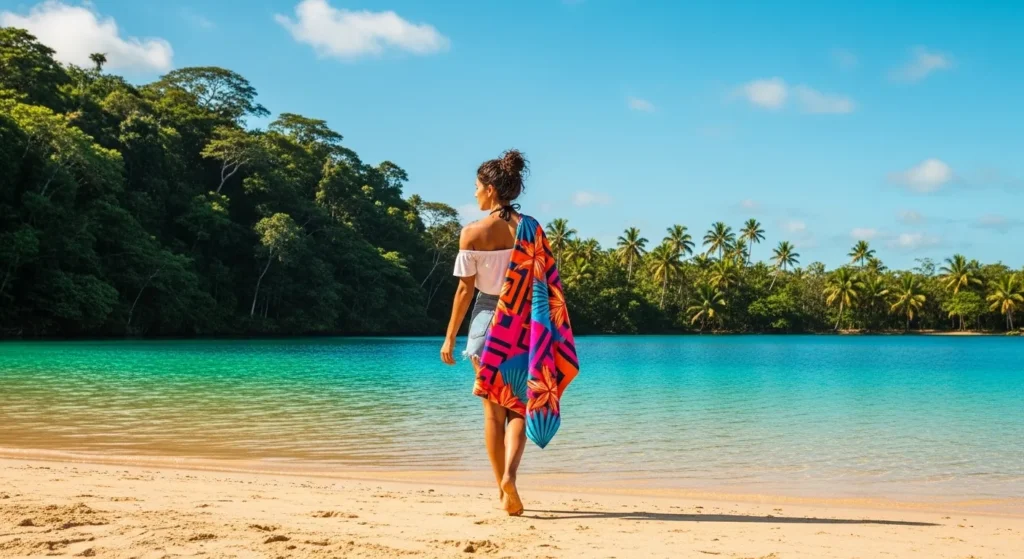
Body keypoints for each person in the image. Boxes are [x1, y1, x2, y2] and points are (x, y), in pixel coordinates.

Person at [440, 149, 528, 516]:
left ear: (491, 189)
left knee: (492, 414)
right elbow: (545, 284)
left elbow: (465, 291)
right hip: (523, 323)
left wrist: (450, 337)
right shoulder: (530, 228)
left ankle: (501, 490)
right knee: (518, 408)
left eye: (477, 187)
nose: (474, 193)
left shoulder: (472, 232)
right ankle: (510, 476)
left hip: (487, 320)